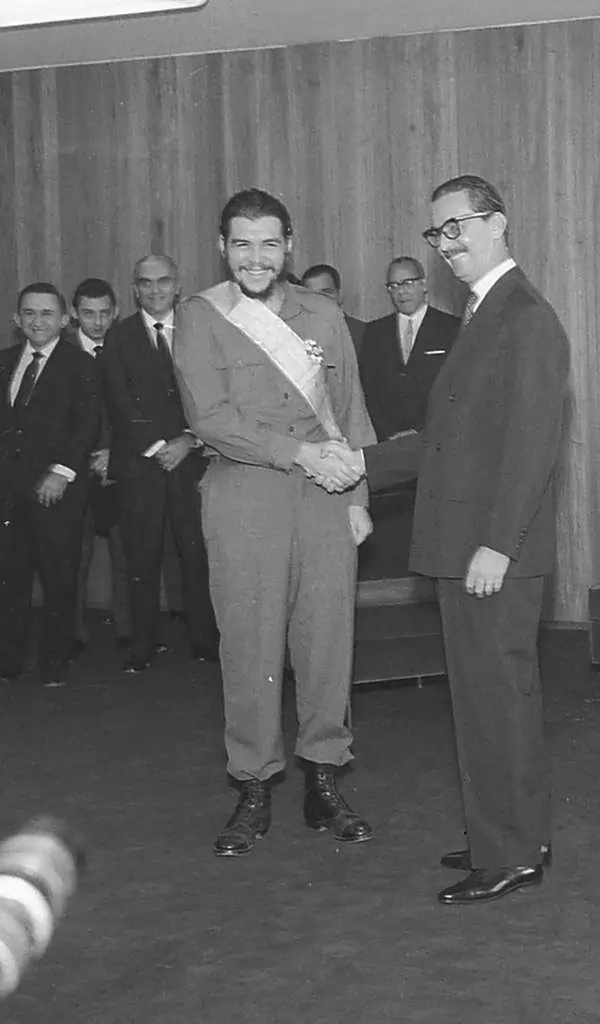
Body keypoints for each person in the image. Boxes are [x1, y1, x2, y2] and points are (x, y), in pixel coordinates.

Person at [336, 174, 569, 904]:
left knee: (496, 700)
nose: (447, 243)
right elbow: (446, 442)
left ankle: (511, 853)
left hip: (491, 552)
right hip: (468, 546)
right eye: (437, 233)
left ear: (498, 223)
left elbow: (533, 443)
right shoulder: (483, 313)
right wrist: (360, 464)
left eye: (458, 226)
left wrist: (497, 543)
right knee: (479, 700)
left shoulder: (524, 316)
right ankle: (504, 832)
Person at [174, 188, 377, 858]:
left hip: (325, 497)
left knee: (326, 642)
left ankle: (324, 780)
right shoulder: (201, 316)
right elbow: (211, 420)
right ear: (222, 247)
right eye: (240, 243)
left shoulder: (321, 312)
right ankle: (253, 785)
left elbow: (350, 411)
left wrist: (357, 498)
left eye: (268, 243)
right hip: (245, 498)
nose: (254, 257)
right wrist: (300, 454)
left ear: (289, 244)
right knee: (250, 645)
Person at [101, 255, 217, 673]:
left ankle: (206, 642)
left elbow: (213, 393)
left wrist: (189, 440)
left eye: (163, 282)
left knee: (197, 556)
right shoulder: (119, 337)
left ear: (177, 284)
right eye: (145, 283)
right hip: (142, 466)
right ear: (134, 288)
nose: (154, 290)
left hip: (193, 461)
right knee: (141, 559)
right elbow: (117, 400)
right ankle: (142, 648)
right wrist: (155, 446)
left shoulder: (198, 329)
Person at [0, 283, 100, 686]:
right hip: (9, 492)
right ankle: (8, 660)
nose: (36, 321)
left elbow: (86, 426)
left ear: (63, 320)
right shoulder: (5, 361)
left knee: (59, 576)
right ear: (16, 320)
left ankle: (54, 663)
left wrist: (61, 472)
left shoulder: (82, 364)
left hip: (56, 489)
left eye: (46, 314)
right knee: (10, 577)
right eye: (28, 313)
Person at [69, 278, 131, 653]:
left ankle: (128, 629)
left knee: (128, 553)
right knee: (73, 554)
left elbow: (133, 413)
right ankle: (73, 631)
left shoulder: (127, 348)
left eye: (104, 313)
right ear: (74, 315)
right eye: (88, 314)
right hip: (74, 470)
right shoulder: (60, 352)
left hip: (119, 464)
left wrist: (115, 456)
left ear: (116, 312)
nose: (97, 322)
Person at [358, 257, 459, 442]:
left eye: (408, 283)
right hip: (387, 441)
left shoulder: (451, 329)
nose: (401, 291)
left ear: (424, 285)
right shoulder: (374, 332)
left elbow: (456, 391)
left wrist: (420, 431)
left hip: (437, 439)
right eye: (394, 285)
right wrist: (388, 434)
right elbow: (367, 390)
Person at [301, 263, 365, 355]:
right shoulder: (298, 334)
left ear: (340, 295)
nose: (320, 299)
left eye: (326, 293)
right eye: (312, 294)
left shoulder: (361, 333)